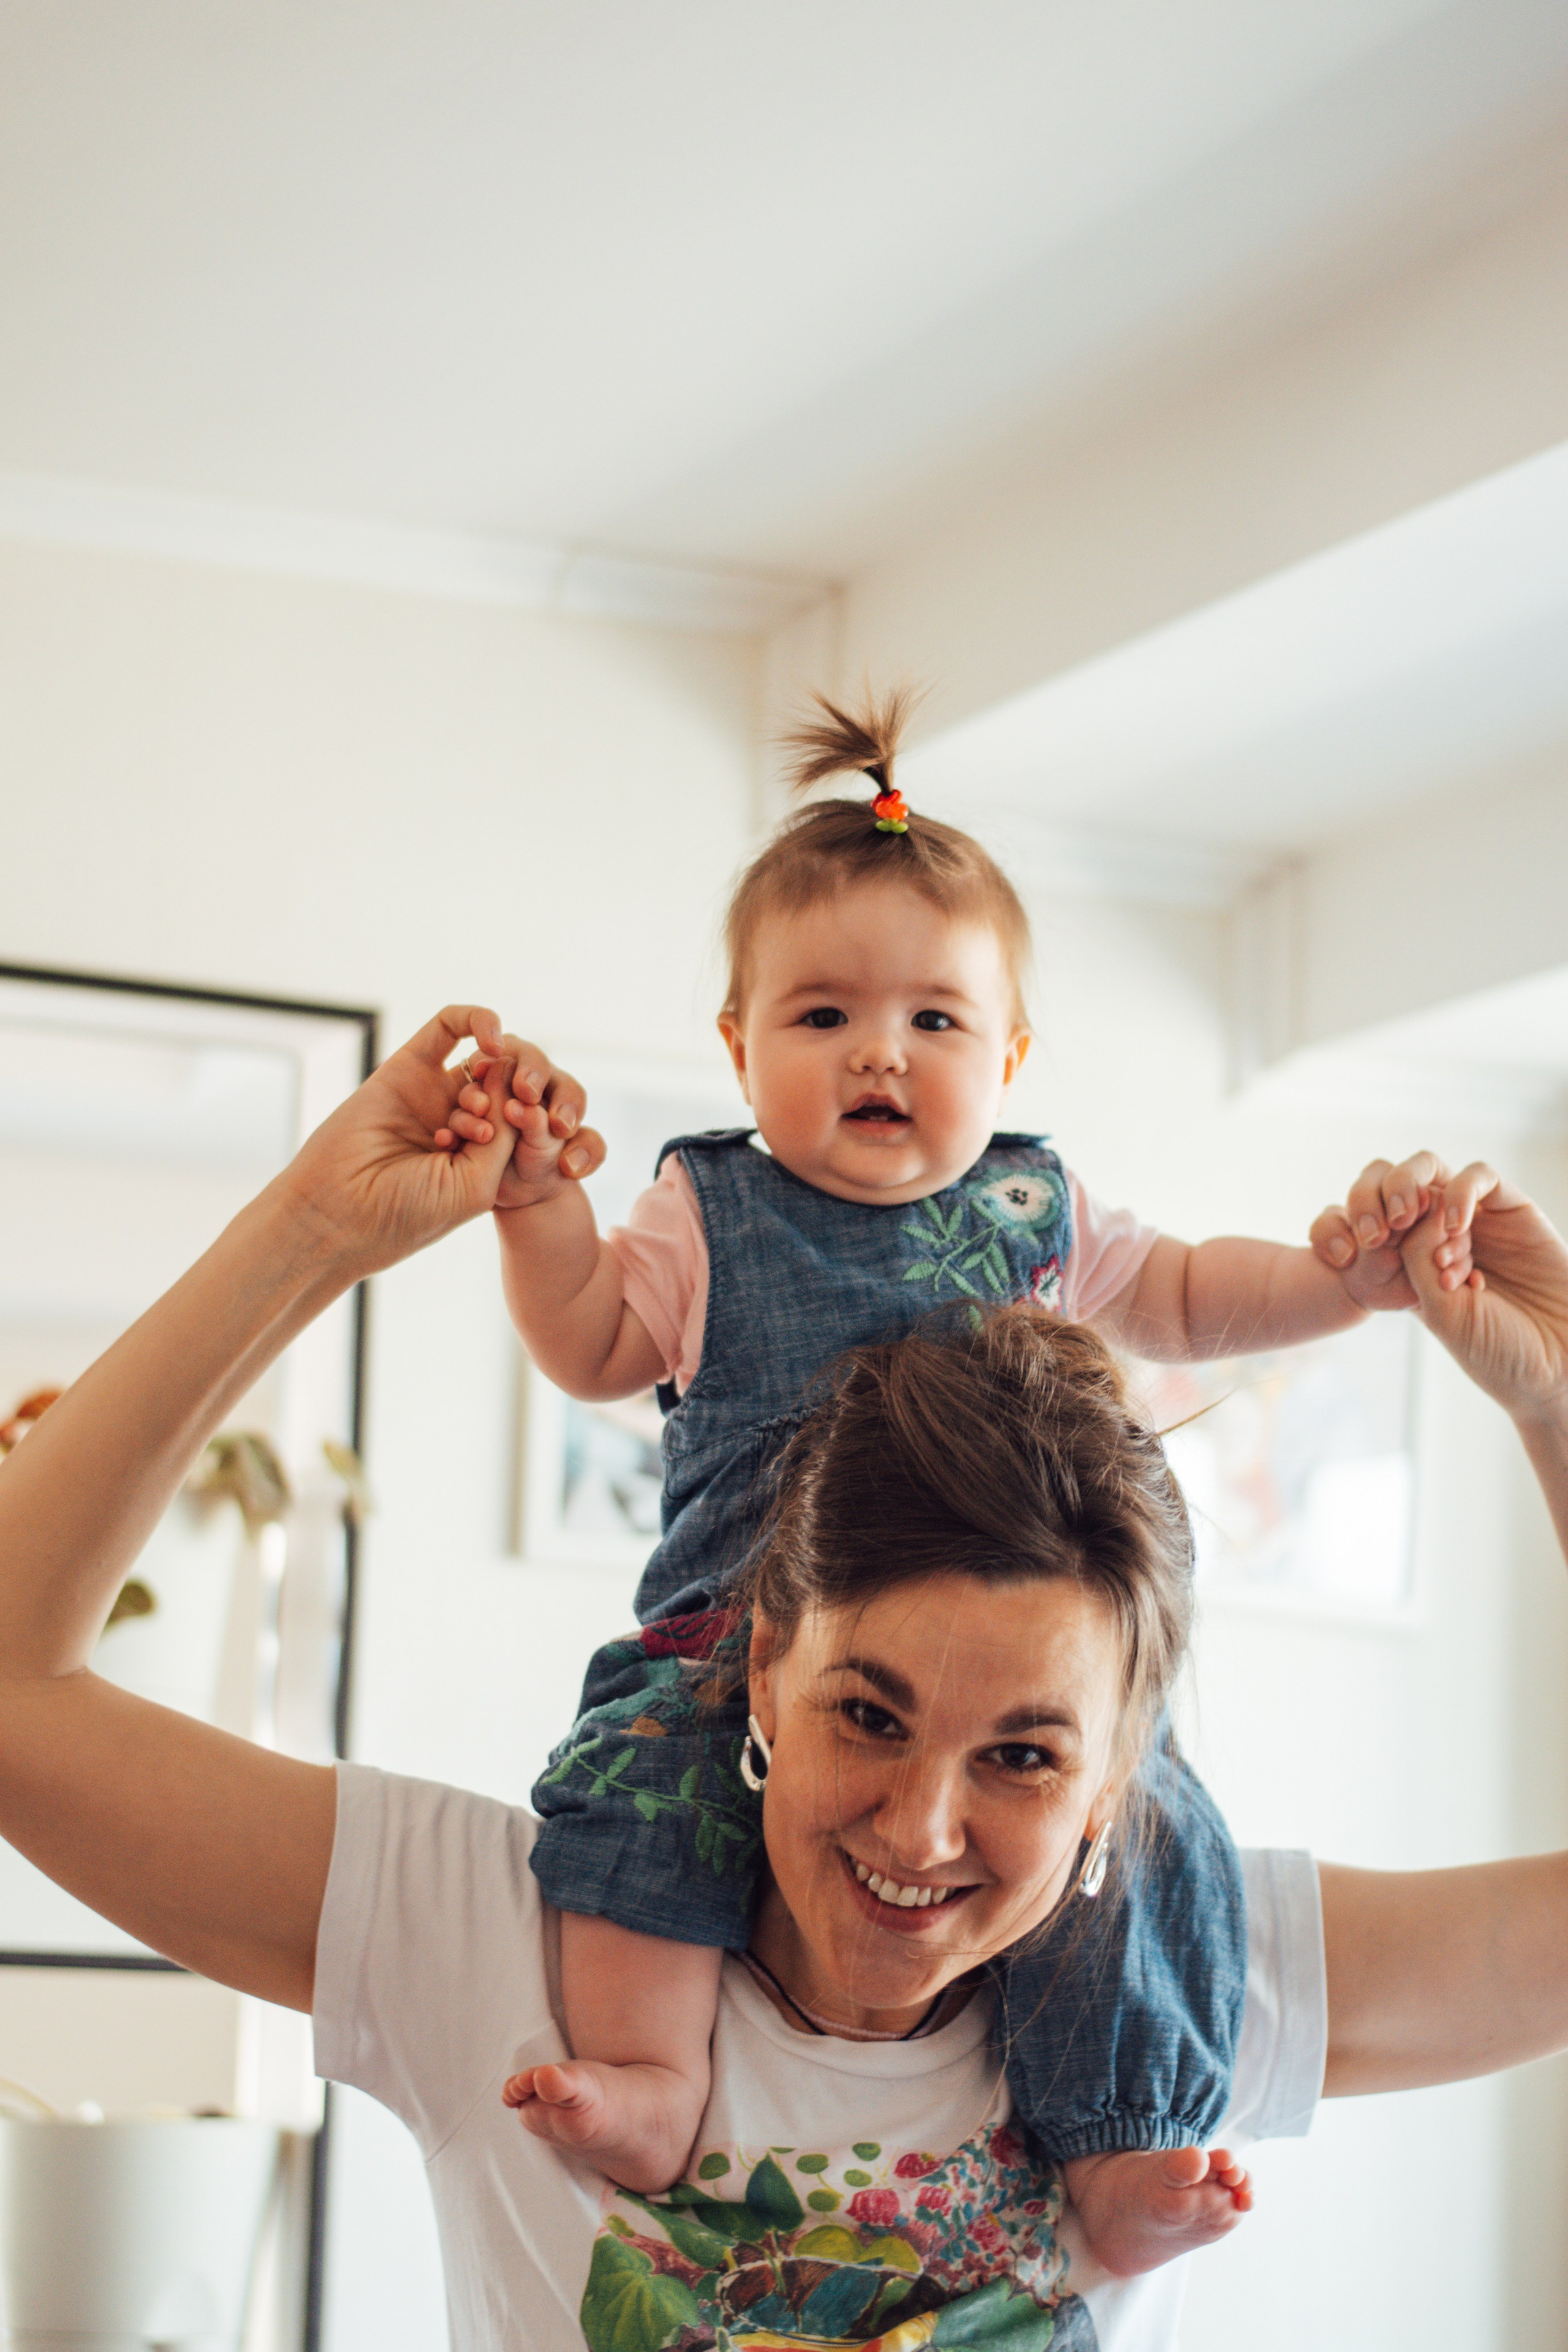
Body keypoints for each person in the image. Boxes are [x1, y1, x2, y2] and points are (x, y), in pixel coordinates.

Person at [1, 1008, 1566, 2350]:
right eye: (867, 1715)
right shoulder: (488, 1944)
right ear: (759, 1672)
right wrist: (307, 1235)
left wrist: (1554, 1403)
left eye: (1024, 1758)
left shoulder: (1184, 1969)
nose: (920, 1829)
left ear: (1112, 1782)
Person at [450, 691, 1450, 2273]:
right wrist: (532, 1208)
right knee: (633, 1799)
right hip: (736, 1648)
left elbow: (1191, 1297)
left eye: (934, 1021)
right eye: (824, 1015)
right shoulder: (708, 1212)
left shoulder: (1037, 1203)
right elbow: (584, 1339)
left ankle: (1117, 2143)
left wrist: (1347, 1284)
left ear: (1011, 1052)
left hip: (1000, 1663)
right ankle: (653, 2076)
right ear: (739, 1042)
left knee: (1153, 1840)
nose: (881, 1055)